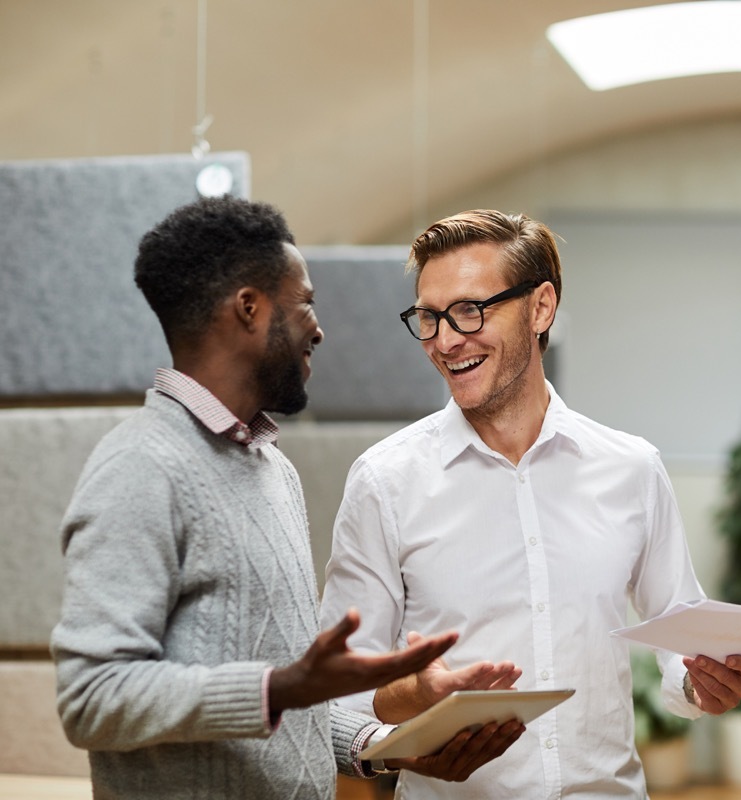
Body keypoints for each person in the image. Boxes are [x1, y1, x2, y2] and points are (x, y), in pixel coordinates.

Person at [50, 197, 520, 800]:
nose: (319, 329)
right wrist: (279, 688)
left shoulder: (273, 470)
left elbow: (287, 709)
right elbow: (91, 698)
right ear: (249, 309)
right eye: (306, 304)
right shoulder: (140, 467)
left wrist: (384, 750)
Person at [319, 209, 741, 798]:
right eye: (429, 318)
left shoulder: (631, 469)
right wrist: (415, 696)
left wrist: (702, 681)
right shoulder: (385, 481)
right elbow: (336, 690)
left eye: (471, 310)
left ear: (541, 308)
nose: (447, 341)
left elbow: (681, 639)